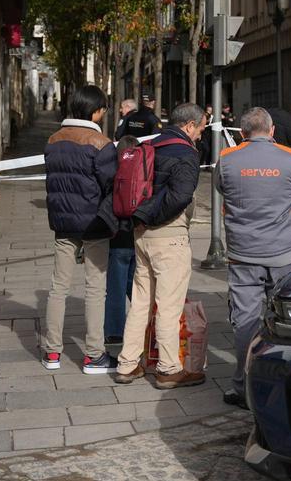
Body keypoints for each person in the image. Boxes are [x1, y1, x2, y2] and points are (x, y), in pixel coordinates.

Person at [115, 102, 207, 389]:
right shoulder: (186, 153)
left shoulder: (152, 144)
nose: (202, 134)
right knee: (168, 305)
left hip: (141, 235)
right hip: (169, 234)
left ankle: (128, 364)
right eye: (202, 127)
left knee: (141, 301)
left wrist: (140, 218)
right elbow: (179, 197)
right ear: (190, 125)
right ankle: (168, 369)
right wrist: (149, 215)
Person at [216, 108, 291, 409]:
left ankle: (241, 385)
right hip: (285, 252)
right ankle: (284, 382)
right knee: (287, 320)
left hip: (243, 253)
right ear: (273, 130)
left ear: (242, 133)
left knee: (245, 321)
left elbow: (220, 188)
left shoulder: (227, 158)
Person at [42, 85, 118, 374]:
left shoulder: (54, 140)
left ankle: (52, 353)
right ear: (96, 111)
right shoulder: (100, 143)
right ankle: (94, 355)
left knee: (58, 287)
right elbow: (110, 183)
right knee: (95, 289)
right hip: (94, 222)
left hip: (62, 222)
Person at [105, 136, 139, 345]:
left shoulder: (113, 172)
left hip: (116, 237)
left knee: (115, 288)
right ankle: (144, 325)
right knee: (137, 287)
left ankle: (115, 332)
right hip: (137, 235)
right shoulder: (143, 170)